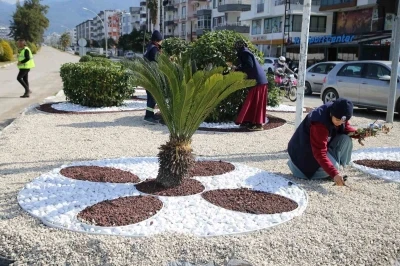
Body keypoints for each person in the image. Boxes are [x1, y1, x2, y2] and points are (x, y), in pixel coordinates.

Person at [287, 98, 359, 186]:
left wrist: (360, 134)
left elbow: (346, 129)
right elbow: (319, 153)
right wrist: (334, 173)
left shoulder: (338, 112)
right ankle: (332, 171)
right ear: (331, 114)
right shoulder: (319, 124)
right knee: (334, 167)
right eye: (337, 120)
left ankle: (335, 168)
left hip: (315, 151)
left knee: (345, 139)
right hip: (302, 160)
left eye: (343, 121)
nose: (340, 123)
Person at [233, 40, 268, 131]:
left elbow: (249, 65)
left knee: (255, 102)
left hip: (257, 81)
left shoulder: (244, 53)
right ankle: (251, 122)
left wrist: (237, 68)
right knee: (253, 102)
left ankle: (258, 124)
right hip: (259, 80)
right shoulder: (246, 52)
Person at [143, 30, 163, 124]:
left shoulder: (149, 47)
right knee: (153, 96)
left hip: (148, 75)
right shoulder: (154, 49)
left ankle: (150, 114)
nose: (161, 42)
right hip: (152, 76)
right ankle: (148, 116)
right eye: (161, 40)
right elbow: (157, 62)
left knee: (150, 97)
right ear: (157, 40)